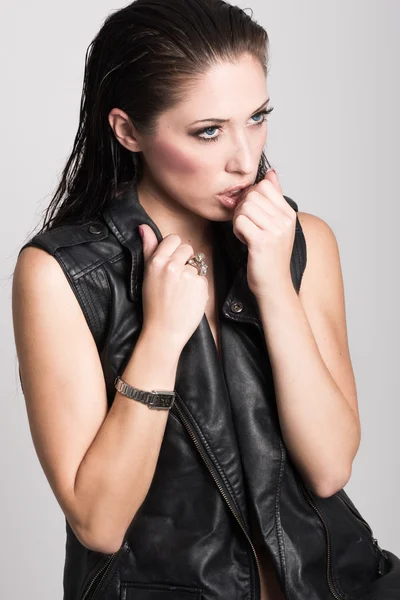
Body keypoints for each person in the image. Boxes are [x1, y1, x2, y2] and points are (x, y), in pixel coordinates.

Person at [12, 1, 400, 599]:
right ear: (127, 130)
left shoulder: (302, 241)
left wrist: (272, 282)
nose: (245, 159)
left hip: (340, 584)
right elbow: (98, 521)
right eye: (209, 131)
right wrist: (162, 338)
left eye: (258, 117)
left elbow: (328, 467)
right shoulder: (63, 275)